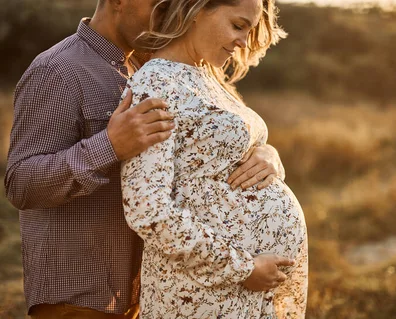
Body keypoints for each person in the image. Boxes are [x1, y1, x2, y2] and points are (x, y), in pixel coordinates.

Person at [4, 0, 286, 317]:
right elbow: (20, 183)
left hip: (148, 294)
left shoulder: (162, 68)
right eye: (159, 4)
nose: (169, 13)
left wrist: (265, 151)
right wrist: (109, 145)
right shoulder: (58, 71)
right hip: (80, 299)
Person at [119, 0, 308, 318]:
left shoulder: (207, 77)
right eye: (237, 26)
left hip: (240, 291)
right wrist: (244, 268)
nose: (242, 42)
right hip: (203, 291)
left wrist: (268, 153)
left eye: (248, 31)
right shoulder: (157, 85)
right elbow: (148, 211)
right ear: (195, 10)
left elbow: (226, 151)